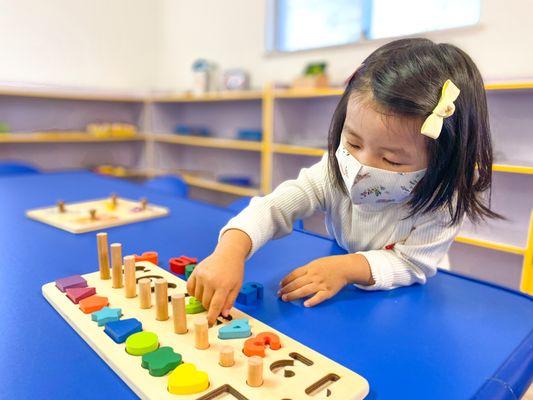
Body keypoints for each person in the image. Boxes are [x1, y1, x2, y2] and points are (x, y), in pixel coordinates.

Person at [187, 38, 501, 325]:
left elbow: (412, 265)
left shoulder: (442, 200)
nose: (362, 166)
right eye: (352, 142)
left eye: (391, 160)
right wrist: (230, 251)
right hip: (346, 281)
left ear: (442, 162)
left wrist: (347, 269)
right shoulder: (335, 169)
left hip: (412, 300)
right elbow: (274, 207)